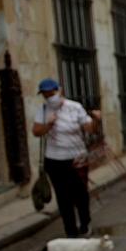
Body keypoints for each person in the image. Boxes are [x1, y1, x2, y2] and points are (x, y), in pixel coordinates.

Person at [32, 78, 101, 238]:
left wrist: (97, 120)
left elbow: (90, 129)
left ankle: (85, 223)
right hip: (54, 160)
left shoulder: (74, 107)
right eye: (45, 95)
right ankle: (70, 231)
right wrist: (48, 125)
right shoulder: (43, 110)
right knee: (63, 197)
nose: (49, 97)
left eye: (51, 93)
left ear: (59, 91)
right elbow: (36, 131)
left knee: (80, 194)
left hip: (77, 159)